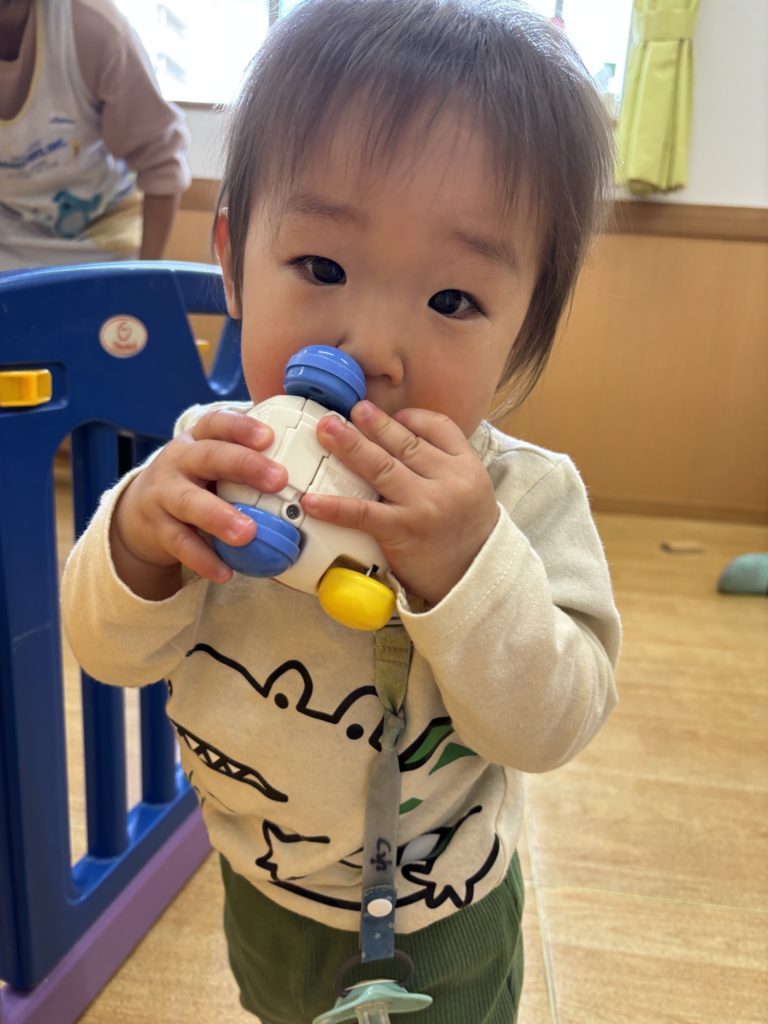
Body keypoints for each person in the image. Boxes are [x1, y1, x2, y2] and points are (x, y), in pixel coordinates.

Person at [61, 1, 621, 1021]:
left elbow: (555, 724)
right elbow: (108, 653)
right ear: (233, 262)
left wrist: (468, 570)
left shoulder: (522, 499)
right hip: (262, 889)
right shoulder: (212, 460)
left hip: (443, 921)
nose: (370, 348)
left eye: (452, 301)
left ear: (525, 325)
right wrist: (139, 539)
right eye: (321, 269)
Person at [0, 0, 190, 271]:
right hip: (8, 241)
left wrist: (145, 280)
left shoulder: (95, 28)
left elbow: (162, 161)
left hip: (101, 242)